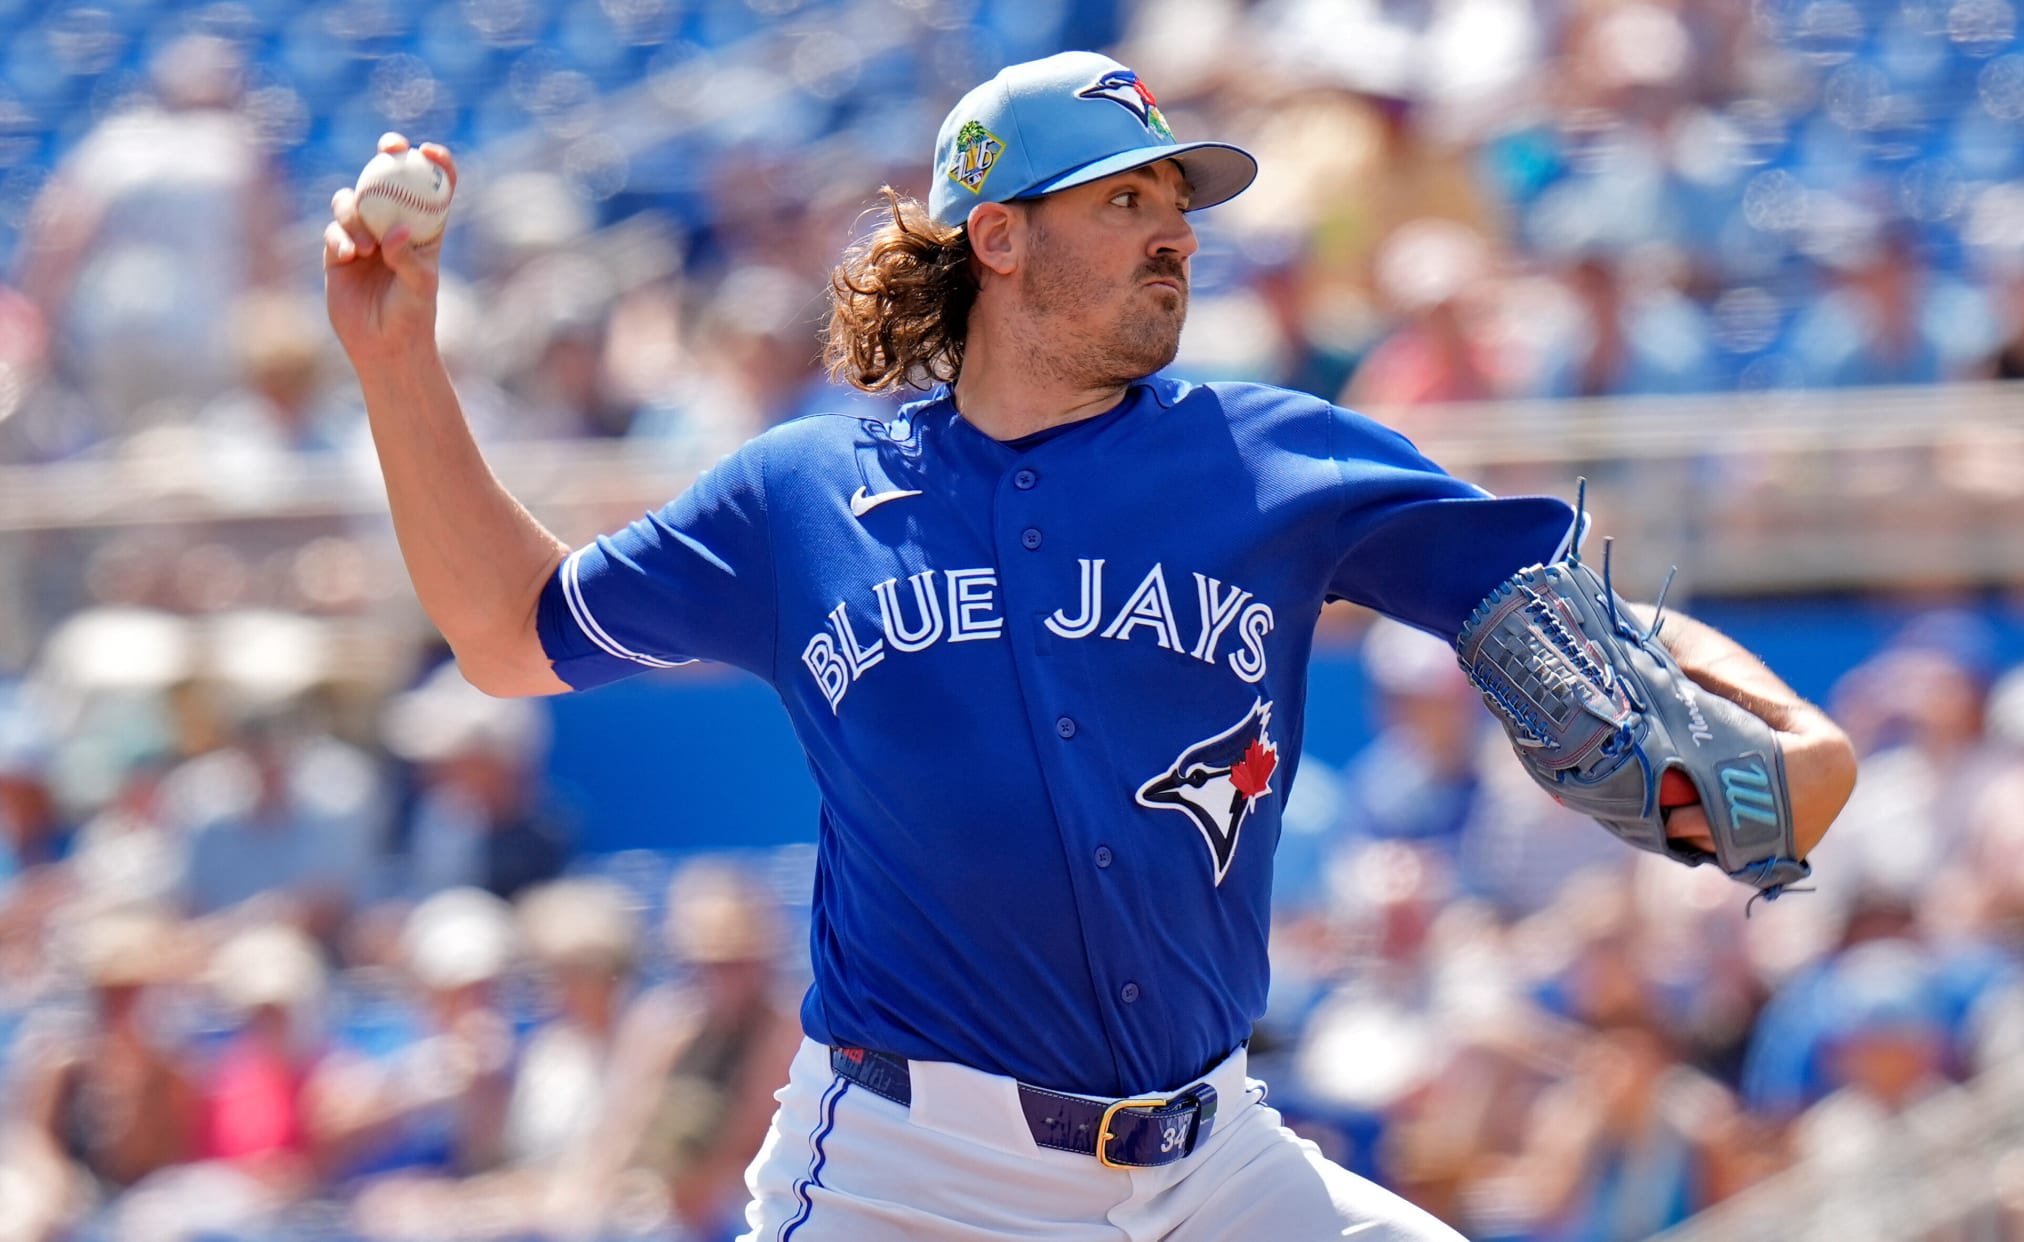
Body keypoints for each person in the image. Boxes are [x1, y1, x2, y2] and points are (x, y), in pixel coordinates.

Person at [323, 51, 1856, 1241]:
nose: (1175, 231)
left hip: (1211, 1158)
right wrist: (397, 366)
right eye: (1124, 200)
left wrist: (1796, 732)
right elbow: (509, 634)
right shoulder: (804, 496)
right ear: (997, 235)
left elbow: (1571, 609)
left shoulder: (1278, 459)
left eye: (1178, 203)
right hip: (910, 1175)